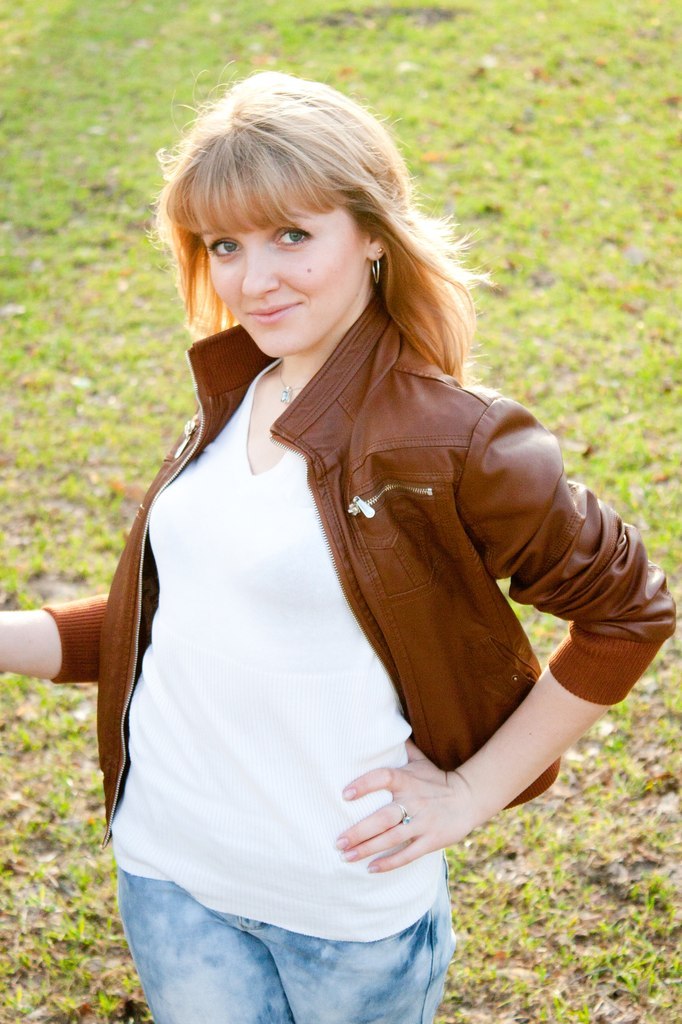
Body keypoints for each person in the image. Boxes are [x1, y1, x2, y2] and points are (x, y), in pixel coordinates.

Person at [1, 71, 675, 1024]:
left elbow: (628, 613)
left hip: (341, 909)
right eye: (225, 245)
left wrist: (472, 793)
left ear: (372, 234)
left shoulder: (456, 438)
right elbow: (183, 613)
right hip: (168, 872)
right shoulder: (239, 387)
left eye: (291, 235)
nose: (253, 280)